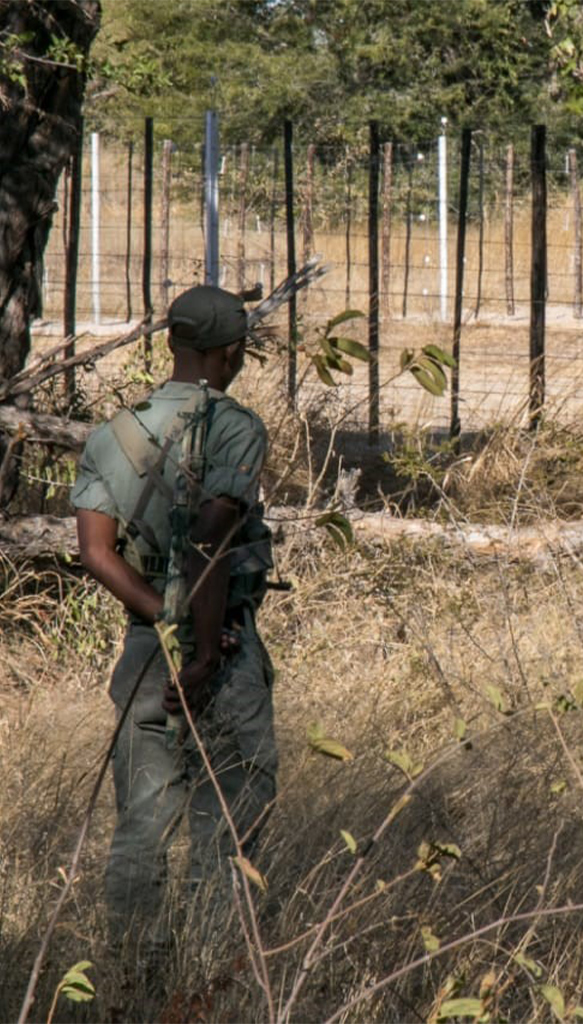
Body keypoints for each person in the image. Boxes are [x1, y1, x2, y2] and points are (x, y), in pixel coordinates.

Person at [70, 285, 277, 985]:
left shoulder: (114, 433)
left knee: (142, 824)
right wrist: (200, 645)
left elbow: (95, 553)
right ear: (229, 353)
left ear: (172, 345)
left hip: (142, 652)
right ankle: (212, 974)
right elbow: (211, 540)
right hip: (218, 650)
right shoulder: (235, 427)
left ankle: (135, 973)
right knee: (234, 812)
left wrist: (159, 615)